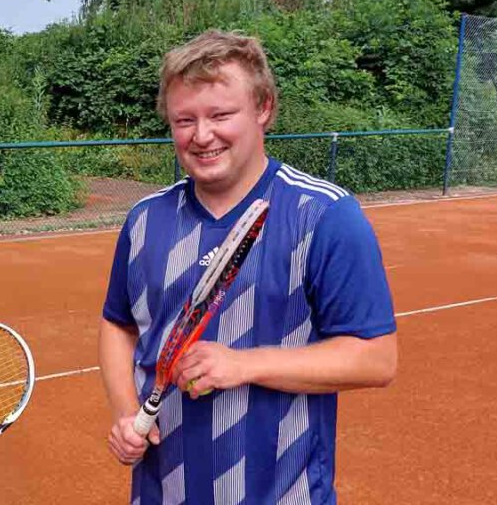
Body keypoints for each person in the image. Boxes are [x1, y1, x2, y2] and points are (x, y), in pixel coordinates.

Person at [99, 30, 398, 504]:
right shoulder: (144, 220)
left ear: (264, 109)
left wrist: (245, 364)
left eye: (220, 115)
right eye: (184, 120)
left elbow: (376, 357)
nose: (202, 135)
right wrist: (125, 412)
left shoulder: (325, 216)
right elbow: (118, 326)